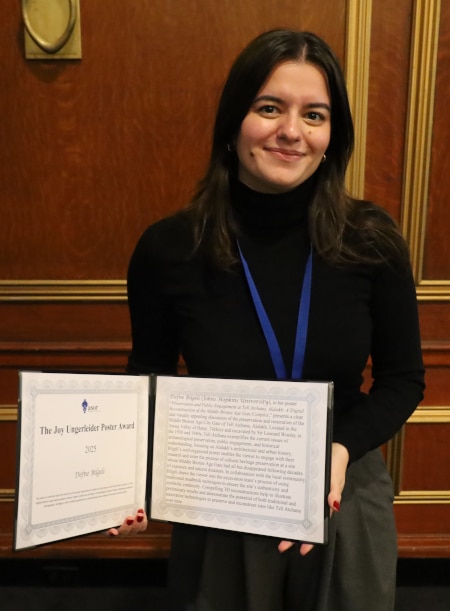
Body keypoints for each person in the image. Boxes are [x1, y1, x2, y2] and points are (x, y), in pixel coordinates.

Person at [110, 29, 425, 611]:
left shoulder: (371, 239)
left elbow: (403, 379)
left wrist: (340, 450)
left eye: (315, 115)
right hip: (222, 489)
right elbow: (149, 377)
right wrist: (127, 480)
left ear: (332, 136)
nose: (292, 131)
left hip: (340, 479)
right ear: (234, 123)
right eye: (270, 108)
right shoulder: (170, 248)